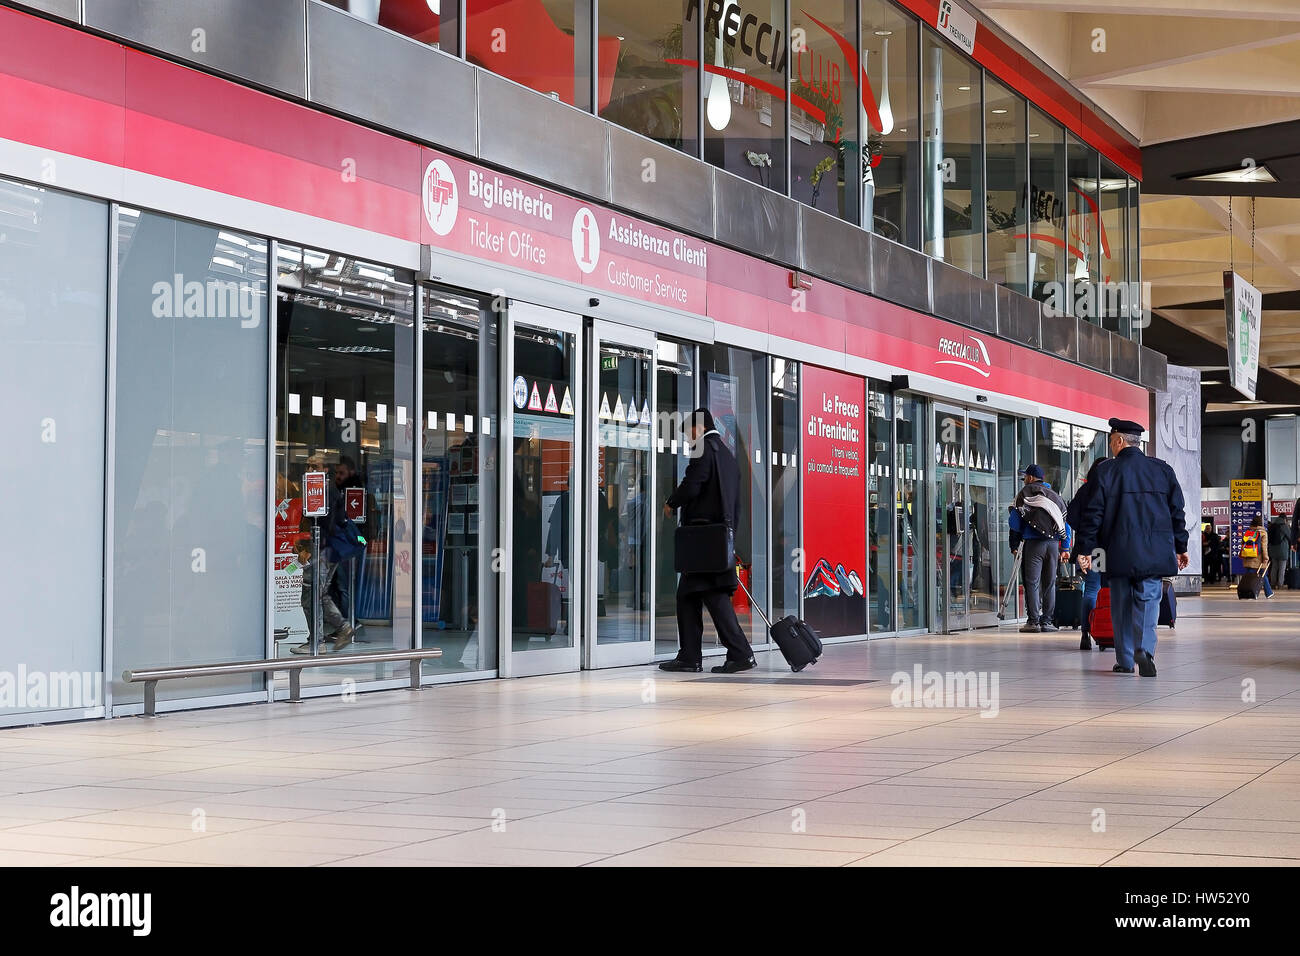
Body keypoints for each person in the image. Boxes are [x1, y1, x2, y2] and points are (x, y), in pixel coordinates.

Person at [1075, 418, 1189, 677]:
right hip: (1155, 552)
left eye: (1112, 441)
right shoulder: (1163, 470)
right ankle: (1145, 650)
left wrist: (1085, 550)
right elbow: (1177, 512)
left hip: (1118, 552)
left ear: (1119, 441)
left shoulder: (1106, 472)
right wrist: (1181, 545)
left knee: (1121, 604)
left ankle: (1126, 660)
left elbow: (1093, 515)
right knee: (1149, 601)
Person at [659, 408, 756, 674]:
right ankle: (692, 656)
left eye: (689, 432)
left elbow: (693, 484)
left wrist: (671, 503)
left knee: (710, 597)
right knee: (691, 596)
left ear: (699, 427)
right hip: (718, 539)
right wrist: (730, 536)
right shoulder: (726, 454)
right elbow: (734, 502)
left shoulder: (704, 449)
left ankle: (737, 653)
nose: (689, 439)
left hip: (703, 541)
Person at [1008, 464, 1067, 634]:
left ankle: (1033, 621)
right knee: (1049, 583)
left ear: (1032, 478)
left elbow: (1014, 524)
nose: (1024, 480)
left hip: (1034, 544)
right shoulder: (1055, 496)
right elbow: (1065, 523)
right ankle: (1047, 621)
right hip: (1054, 545)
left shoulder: (1024, 494)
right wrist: (1065, 546)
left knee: (1032, 583)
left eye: (1025, 476)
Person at [1067, 477, 1101, 650]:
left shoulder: (1085, 490)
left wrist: (1083, 531)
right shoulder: (1113, 485)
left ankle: (1085, 634)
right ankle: (1109, 632)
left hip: (1092, 548)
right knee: (1114, 590)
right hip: (1110, 548)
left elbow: (1071, 516)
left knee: (1092, 589)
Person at [1241, 513, 1270, 597]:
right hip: (1258, 558)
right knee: (1262, 574)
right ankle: (1252, 593)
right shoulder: (1263, 533)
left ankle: (1268, 592)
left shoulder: (1248, 532)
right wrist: (1266, 557)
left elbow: (1242, 543)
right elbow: (1264, 547)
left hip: (1247, 557)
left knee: (1250, 575)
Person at [1267, 512, 1291, 590]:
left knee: (1274, 567)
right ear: (1284, 519)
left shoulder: (1272, 525)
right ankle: (1280, 584)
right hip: (1282, 550)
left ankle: (1273, 584)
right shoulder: (1284, 526)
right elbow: (1290, 536)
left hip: (1273, 550)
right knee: (1282, 568)